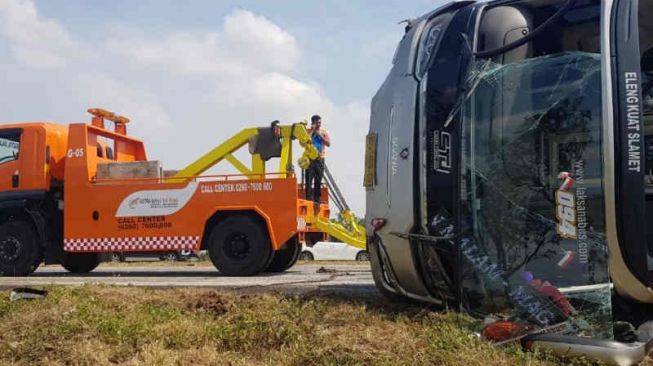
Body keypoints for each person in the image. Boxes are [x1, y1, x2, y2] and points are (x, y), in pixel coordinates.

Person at [305, 115, 330, 209]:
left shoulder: (323, 132)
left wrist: (318, 133)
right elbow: (306, 141)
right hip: (309, 158)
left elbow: (328, 143)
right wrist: (312, 131)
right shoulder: (308, 131)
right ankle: (308, 197)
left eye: (319, 122)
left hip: (320, 158)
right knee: (309, 179)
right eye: (316, 122)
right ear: (313, 123)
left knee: (318, 180)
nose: (318, 124)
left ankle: (317, 198)